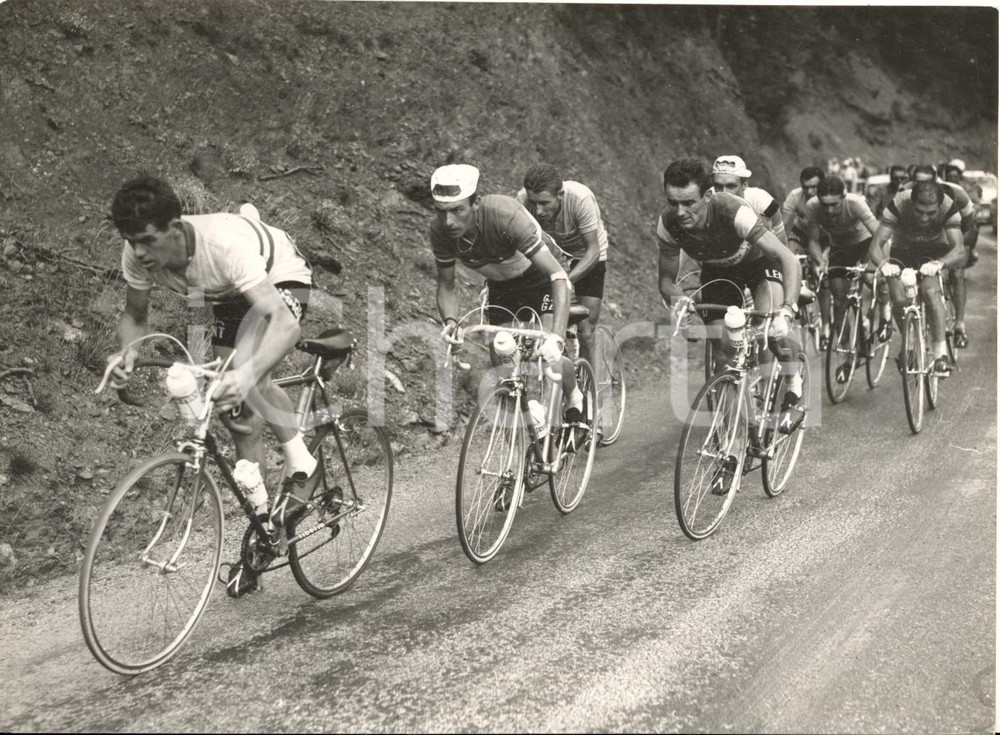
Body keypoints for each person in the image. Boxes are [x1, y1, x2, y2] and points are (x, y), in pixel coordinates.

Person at [107, 174, 316, 596]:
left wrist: (247, 374)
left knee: (248, 375)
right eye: (131, 241)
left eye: (147, 240)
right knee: (237, 415)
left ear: (175, 227)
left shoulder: (222, 246)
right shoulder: (137, 253)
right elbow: (135, 317)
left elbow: (285, 325)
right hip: (222, 292)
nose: (140, 252)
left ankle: (303, 465)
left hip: (277, 275)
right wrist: (128, 352)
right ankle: (263, 531)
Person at [430, 164, 586, 443]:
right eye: (441, 211)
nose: (448, 221)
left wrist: (557, 338)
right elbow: (446, 284)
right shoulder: (440, 231)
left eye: (457, 210)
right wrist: (451, 322)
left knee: (547, 355)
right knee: (503, 367)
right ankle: (532, 421)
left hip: (542, 278)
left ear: (475, 203)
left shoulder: (504, 215)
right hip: (502, 287)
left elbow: (558, 276)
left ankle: (574, 394)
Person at [657, 158, 804, 444]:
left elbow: (788, 258)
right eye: (673, 203)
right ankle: (734, 445)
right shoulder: (668, 223)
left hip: (758, 266)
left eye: (688, 203)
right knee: (724, 358)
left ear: (707, 196)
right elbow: (666, 280)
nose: (680, 212)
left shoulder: (732, 211)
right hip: (718, 273)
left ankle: (792, 379)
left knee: (770, 329)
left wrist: (787, 310)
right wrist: (679, 300)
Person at [869, 180, 967, 376]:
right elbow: (875, 246)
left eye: (931, 213)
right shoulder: (898, 203)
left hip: (935, 250)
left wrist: (939, 264)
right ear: (911, 203)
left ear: (939, 206)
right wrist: (885, 265)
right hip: (903, 249)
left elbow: (959, 249)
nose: (924, 218)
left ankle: (940, 355)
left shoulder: (949, 207)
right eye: (919, 211)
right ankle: (911, 342)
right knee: (898, 298)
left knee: (930, 291)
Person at [517, 164, 609, 369]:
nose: (538, 211)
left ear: (560, 195)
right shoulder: (522, 200)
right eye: (534, 203)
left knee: (586, 329)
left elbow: (593, 250)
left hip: (585, 253)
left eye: (544, 203)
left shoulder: (580, 198)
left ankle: (590, 385)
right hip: (549, 253)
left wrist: (564, 281)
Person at [803, 176, 881, 379]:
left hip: (865, 244)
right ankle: (846, 354)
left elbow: (879, 234)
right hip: (841, 248)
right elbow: (813, 241)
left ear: (843, 196)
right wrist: (820, 262)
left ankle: (883, 316)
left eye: (834, 204)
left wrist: (876, 263)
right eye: (825, 205)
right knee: (839, 301)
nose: (829, 210)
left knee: (871, 280)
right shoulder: (812, 206)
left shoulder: (855, 203)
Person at [904, 164, 978, 347]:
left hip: (955, 235)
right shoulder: (905, 192)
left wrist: (961, 250)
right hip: (927, 238)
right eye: (917, 182)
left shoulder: (957, 193)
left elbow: (970, 228)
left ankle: (959, 326)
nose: (921, 186)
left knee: (957, 273)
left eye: (926, 182)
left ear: (936, 180)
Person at [782, 166, 831, 345]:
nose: (809, 192)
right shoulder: (795, 196)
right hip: (801, 233)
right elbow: (783, 227)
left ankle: (826, 327)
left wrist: (824, 257)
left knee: (822, 277)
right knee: (788, 259)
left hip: (825, 237)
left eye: (814, 187)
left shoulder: (829, 198)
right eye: (805, 187)